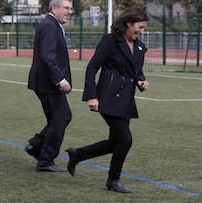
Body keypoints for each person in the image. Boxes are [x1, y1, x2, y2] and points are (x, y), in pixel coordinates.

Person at [65, 8, 150, 193]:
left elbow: (136, 71)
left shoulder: (141, 47)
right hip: (108, 98)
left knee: (115, 142)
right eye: (139, 27)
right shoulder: (110, 41)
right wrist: (92, 96)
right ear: (129, 23)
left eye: (143, 28)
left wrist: (141, 81)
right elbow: (92, 68)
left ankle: (77, 154)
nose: (141, 31)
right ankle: (114, 179)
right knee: (126, 140)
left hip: (127, 99)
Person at [24, 0, 73, 172]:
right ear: (54, 8)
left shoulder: (52, 25)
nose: (70, 12)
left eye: (71, 8)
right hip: (48, 83)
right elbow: (47, 55)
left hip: (46, 82)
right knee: (61, 118)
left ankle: (36, 146)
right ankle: (45, 160)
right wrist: (60, 79)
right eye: (66, 8)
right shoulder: (49, 26)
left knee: (59, 118)